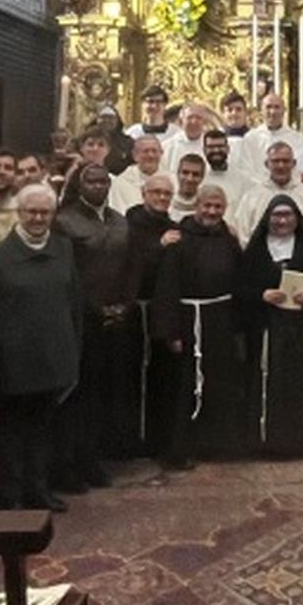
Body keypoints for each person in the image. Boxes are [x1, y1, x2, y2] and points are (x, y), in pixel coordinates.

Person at [0, 184, 83, 512]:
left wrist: (72, 353)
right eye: (31, 212)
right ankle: (11, 495)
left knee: (42, 432)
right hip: (14, 362)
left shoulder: (64, 249)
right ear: (19, 214)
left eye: (45, 213)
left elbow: (74, 305)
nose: (38, 218)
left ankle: (38, 491)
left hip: (54, 357)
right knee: (12, 434)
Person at [149, 185, 247, 464]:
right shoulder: (180, 239)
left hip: (220, 322)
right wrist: (170, 331)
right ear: (197, 206)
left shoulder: (228, 239)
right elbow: (166, 287)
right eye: (207, 206)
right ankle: (181, 449)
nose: (212, 212)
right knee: (185, 388)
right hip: (188, 322)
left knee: (220, 384)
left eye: (218, 207)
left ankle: (217, 445)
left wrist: (238, 324)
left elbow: (238, 280)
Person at [56, 163, 137, 488]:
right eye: (92, 181)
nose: (99, 186)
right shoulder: (64, 221)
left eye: (104, 181)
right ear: (80, 184)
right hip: (81, 320)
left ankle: (94, 460)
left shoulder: (119, 220)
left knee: (104, 394)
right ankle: (69, 464)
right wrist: (95, 308)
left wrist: (125, 305)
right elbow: (69, 273)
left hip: (116, 320)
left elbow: (133, 267)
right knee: (77, 396)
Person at [237, 195, 303, 458]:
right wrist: (261, 295)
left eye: (288, 215)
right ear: (268, 219)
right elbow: (241, 287)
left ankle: (301, 440)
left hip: (302, 328)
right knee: (268, 381)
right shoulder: (256, 251)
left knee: (300, 382)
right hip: (266, 327)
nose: (282, 221)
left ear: (297, 219)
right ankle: (267, 440)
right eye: (277, 216)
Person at [126, 173, 181, 455]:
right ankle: (131, 441)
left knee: (162, 380)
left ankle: (158, 439)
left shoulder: (174, 227)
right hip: (136, 311)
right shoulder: (129, 225)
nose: (162, 198)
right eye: (156, 192)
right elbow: (130, 265)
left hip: (163, 311)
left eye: (167, 194)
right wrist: (158, 246)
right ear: (143, 193)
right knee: (131, 379)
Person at [233, 140, 303, 241]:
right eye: (275, 161)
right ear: (266, 164)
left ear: (294, 163)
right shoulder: (252, 197)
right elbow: (242, 234)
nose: (281, 166)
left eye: (285, 161)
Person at [236, 92, 303, 179]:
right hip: (258, 189)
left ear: (284, 110)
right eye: (268, 107)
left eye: (277, 107)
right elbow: (245, 171)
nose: (273, 112)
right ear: (261, 110)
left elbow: (300, 169)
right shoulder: (251, 138)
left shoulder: (297, 139)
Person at [108, 133, 164, 215]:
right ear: (135, 155)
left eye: (154, 151)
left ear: (161, 153)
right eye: (146, 151)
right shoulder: (121, 183)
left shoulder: (173, 180)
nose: (150, 155)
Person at [171, 153, 206, 220]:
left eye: (195, 174)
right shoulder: (166, 202)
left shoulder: (207, 207)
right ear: (178, 174)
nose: (189, 179)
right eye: (185, 173)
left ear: (202, 177)